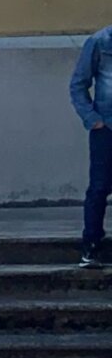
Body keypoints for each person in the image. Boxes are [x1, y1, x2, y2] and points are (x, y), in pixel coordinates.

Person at [70, 22, 112, 268]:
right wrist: (93, 120)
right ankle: (91, 244)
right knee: (99, 187)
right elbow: (78, 84)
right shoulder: (100, 42)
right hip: (106, 126)